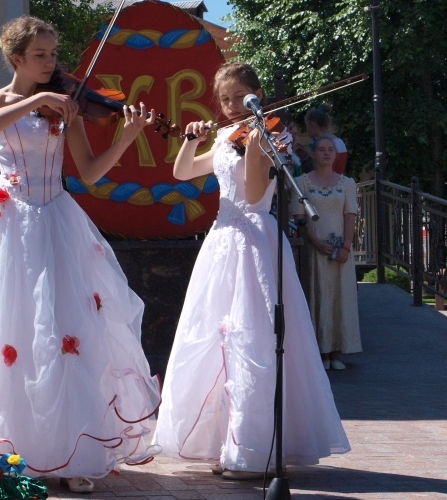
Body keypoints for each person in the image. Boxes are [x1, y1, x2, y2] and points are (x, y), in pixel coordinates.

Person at [0, 16, 162, 494]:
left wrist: (126, 136)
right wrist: (39, 99)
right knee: (8, 329)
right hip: (9, 225)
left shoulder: (69, 104)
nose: (51, 62)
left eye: (53, 54)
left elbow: (87, 172)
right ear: (16, 59)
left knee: (66, 333)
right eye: (41, 54)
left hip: (58, 222)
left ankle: (74, 452)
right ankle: (9, 451)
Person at [152, 62, 350, 480]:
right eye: (223, 99)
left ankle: (251, 449)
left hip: (254, 239)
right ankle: (221, 442)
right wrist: (192, 140)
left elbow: (257, 193)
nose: (229, 108)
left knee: (252, 339)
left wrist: (260, 149)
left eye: (237, 98)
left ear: (255, 95)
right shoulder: (227, 136)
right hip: (222, 240)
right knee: (214, 338)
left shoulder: (268, 136)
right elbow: (183, 171)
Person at [290, 135, 362, 370]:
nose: (326, 153)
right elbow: (299, 217)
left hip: (340, 249)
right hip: (315, 248)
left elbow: (350, 216)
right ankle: (319, 352)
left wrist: (346, 247)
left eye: (330, 149)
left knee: (340, 298)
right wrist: (315, 241)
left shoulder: (346, 183)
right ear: (314, 153)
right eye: (321, 149)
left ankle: (336, 353)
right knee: (318, 296)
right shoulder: (302, 182)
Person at [302, 103, 348, 175]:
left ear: (313, 124)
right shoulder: (339, 142)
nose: (306, 129)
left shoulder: (320, 144)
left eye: (307, 125)